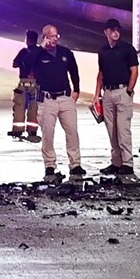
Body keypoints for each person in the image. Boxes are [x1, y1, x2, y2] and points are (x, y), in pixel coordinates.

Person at [34, 23, 84, 182]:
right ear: (45, 37)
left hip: (65, 98)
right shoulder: (38, 55)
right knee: (48, 134)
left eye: (57, 36)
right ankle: (50, 165)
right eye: (52, 36)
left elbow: (74, 71)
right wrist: (41, 48)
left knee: (72, 132)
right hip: (47, 99)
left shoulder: (65, 53)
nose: (55, 39)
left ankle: (75, 164)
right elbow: (28, 63)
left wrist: (76, 90)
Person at [94, 18, 140, 176]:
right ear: (106, 32)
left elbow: (134, 70)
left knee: (123, 130)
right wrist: (97, 94)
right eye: (112, 30)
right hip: (108, 93)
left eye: (117, 30)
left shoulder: (127, 49)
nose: (115, 32)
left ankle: (127, 163)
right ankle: (116, 162)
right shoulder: (103, 51)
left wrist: (129, 90)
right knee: (111, 130)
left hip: (122, 92)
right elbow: (101, 73)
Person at [9, 29, 42, 142]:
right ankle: (32, 131)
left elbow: (14, 63)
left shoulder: (23, 52)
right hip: (36, 83)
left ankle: (18, 130)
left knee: (19, 106)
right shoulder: (40, 52)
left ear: (27, 40)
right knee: (34, 107)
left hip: (23, 82)